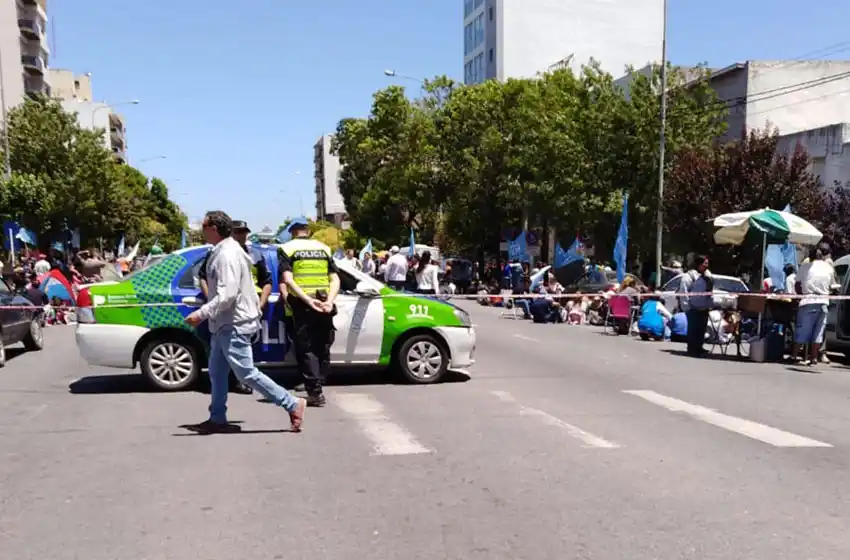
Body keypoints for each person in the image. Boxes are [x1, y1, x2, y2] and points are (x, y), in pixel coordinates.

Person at [185, 210, 305, 433]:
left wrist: (201, 313)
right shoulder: (224, 251)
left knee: (246, 373)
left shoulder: (227, 255)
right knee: (217, 372)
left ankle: (292, 403)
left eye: (203, 227)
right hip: (225, 323)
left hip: (234, 323)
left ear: (213, 229)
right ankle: (217, 418)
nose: (201, 231)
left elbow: (227, 295)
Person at [279, 217, 340, 407]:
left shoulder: (287, 249)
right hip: (323, 303)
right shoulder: (323, 248)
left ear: (292, 231)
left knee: (307, 349)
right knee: (323, 345)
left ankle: (315, 392)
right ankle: (319, 382)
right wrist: (329, 301)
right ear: (308, 230)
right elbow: (335, 278)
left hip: (304, 304)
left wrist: (306, 300)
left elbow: (288, 279)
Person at [789, 243, 835, 366]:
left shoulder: (805, 267)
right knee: (818, 332)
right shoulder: (829, 268)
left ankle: (794, 355)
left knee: (802, 329)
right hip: (824, 302)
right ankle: (814, 357)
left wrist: (801, 295)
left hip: (808, 300)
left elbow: (797, 284)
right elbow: (833, 286)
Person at [679, 255, 713, 357]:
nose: (706, 265)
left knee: (701, 330)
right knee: (693, 330)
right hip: (693, 308)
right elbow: (684, 291)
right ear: (699, 264)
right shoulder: (689, 276)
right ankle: (692, 349)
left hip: (704, 307)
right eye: (704, 263)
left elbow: (710, 290)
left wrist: (710, 304)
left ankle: (699, 348)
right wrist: (686, 307)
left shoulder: (708, 275)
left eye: (707, 263)